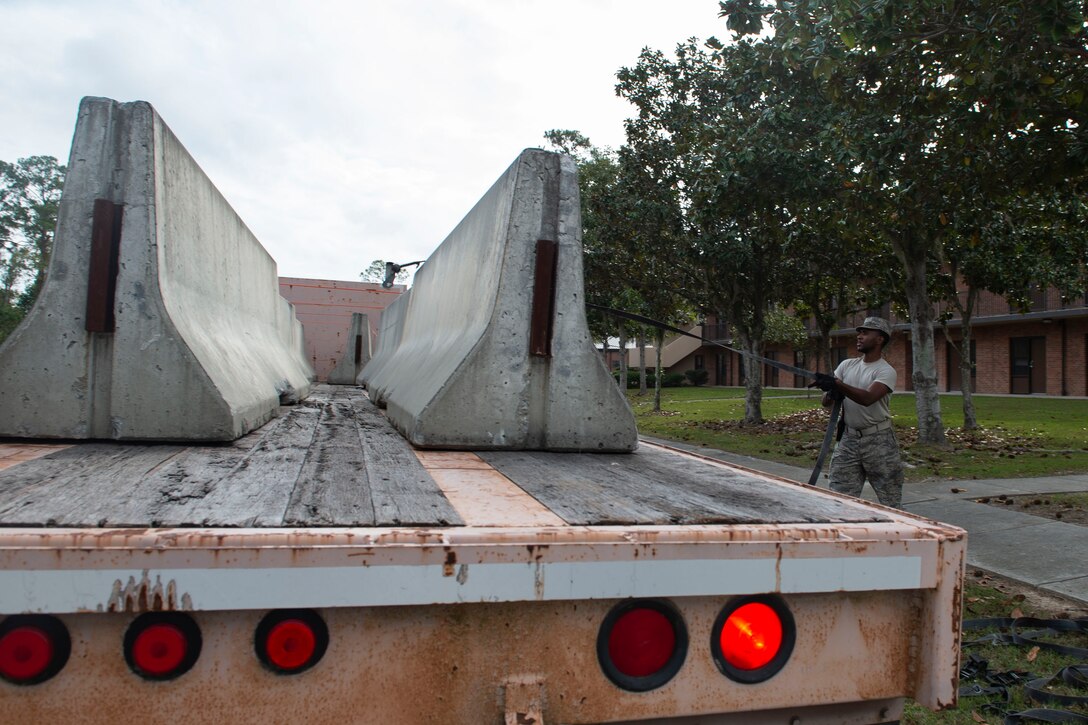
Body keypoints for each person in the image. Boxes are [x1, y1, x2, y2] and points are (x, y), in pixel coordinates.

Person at [812, 317, 904, 508]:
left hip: (879, 441)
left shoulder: (885, 371)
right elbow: (826, 403)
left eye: (865, 333)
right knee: (839, 499)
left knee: (891, 501)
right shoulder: (847, 365)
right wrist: (830, 389)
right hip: (848, 440)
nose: (859, 337)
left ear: (880, 339)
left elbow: (867, 398)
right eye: (859, 333)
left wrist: (837, 384)